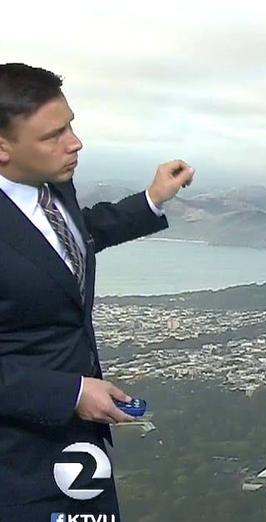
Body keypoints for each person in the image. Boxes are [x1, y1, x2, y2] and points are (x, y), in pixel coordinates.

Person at [0, 63, 195, 520]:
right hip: (16, 460)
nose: (75, 142)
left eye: (71, 124)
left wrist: (151, 199)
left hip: (78, 449)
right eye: (53, 135)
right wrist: (68, 393)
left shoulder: (53, 186)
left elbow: (65, 240)